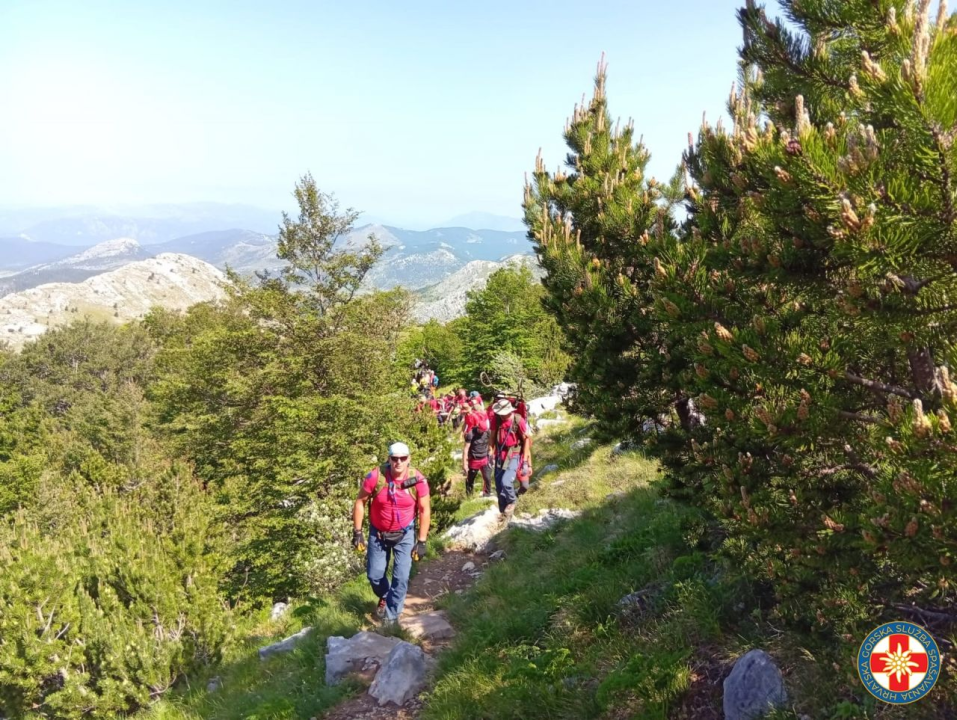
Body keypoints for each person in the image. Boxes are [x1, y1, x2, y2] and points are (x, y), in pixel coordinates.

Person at [351, 442, 431, 623]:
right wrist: (357, 532)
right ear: (389, 459)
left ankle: (391, 618)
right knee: (374, 575)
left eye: (403, 458)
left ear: (409, 459)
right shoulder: (375, 477)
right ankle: (385, 596)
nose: (399, 462)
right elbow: (360, 502)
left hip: (405, 534)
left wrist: (422, 541)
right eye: (395, 459)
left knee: (401, 578)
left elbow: (425, 509)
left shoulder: (417, 480)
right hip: (378, 533)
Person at [489, 398, 532, 518]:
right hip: (499, 456)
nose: (502, 416)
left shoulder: (518, 420)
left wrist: (525, 462)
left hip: (514, 454)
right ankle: (503, 513)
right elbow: (492, 437)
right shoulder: (496, 420)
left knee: (506, 481)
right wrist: (490, 452)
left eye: (504, 414)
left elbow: (526, 440)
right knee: (499, 488)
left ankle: (513, 501)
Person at [462, 396, 492, 497]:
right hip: (474, 459)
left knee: (487, 478)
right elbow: (466, 449)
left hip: (484, 458)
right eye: (480, 430)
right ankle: (469, 495)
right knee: (470, 478)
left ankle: (487, 494)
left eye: (482, 431)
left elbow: (490, 443)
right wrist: (465, 464)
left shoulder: (487, 432)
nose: (481, 432)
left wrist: (491, 453)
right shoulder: (471, 433)